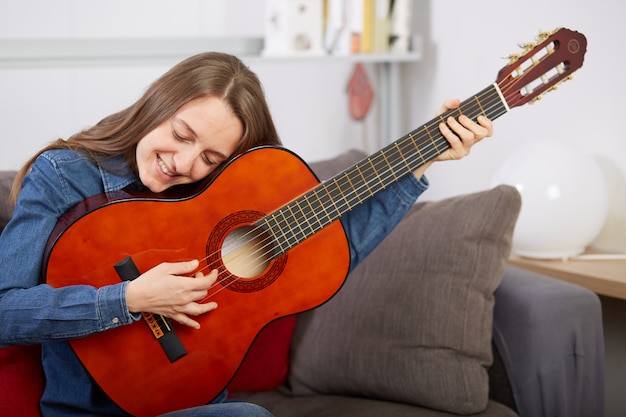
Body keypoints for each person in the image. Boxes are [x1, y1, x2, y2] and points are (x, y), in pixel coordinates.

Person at [0, 52, 492, 416]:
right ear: (157, 105)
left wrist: (419, 161)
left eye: (211, 159)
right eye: (181, 134)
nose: (185, 164)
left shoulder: (224, 201)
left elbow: (329, 259)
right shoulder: (64, 175)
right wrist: (129, 298)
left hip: (194, 406)